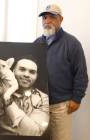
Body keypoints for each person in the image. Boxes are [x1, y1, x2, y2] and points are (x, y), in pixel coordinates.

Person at [34, 4, 88, 140]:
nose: (47, 21)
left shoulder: (72, 43)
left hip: (61, 106)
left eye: (52, 17)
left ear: (61, 19)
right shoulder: (36, 43)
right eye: (45, 18)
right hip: (38, 105)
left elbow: (81, 73)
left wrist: (76, 98)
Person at [0, 56, 49, 138]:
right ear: (13, 71)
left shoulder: (42, 98)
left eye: (32, 72)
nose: (26, 75)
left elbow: (35, 132)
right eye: (22, 69)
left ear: (36, 76)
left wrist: (8, 100)